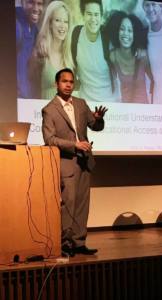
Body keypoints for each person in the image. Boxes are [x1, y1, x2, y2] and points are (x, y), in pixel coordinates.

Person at [42, 68, 107, 256]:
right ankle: (65, 244)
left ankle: (79, 242)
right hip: (67, 163)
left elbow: (94, 126)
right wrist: (74, 145)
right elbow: (50, 139)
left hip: (85, 161)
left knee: (82, 204)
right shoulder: (49, 110)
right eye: (64, 81)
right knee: (68, 204)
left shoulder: (80, 104)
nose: (68, 85)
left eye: (71, 82)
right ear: (57, 84)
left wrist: (99, 120)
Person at [71, 0, 119, 102]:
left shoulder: (108, 36)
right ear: (83, 14)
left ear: (101, 16)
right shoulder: (76, 33)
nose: (93, 19)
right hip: (85, 103)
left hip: (110, 103)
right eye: (89, 14)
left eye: (96, 14)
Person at [30, 1, 74, 99]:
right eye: (58, 20)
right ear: (50, 23)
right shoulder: (41, 53)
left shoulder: (69, 55)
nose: (62, 25)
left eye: (65, 21)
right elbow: (31, 89)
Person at [107, 11, 154, 103]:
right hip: (126, 112)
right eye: (122, 29)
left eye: (130, 30)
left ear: (135, 34)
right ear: (117, 31)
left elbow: (155, 81)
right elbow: (110, 85)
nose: (125, 34)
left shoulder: (143, 56)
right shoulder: (113, 56)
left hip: (143, 113)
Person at [16, 0, 45, 98]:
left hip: (27, 97)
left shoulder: (34, 30)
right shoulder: (15, 24)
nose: (36, 8)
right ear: (22, 2)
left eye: (39, 4)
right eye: (31, 2)